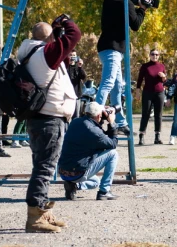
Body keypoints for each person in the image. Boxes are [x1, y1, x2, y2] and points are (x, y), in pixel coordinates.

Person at [18, 15, 80, 233]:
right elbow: (75, 36)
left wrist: (55, 31)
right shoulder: (45, 53)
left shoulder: (33, 54)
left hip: (41, 119)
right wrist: (67, 22)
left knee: (41, 166)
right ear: (49, 38)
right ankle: (34, 217)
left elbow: (61, 61)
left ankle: (43, 212)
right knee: (44, 169)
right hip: (49, 121)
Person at [95, 0, 148, 135]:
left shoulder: (108, 1)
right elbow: (136, 24)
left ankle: (120, 122)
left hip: (108, 48)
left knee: (117, 86)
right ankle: (93, 118)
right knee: (108, 83)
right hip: (113, 49)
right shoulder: (125, 3)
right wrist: (142, 9)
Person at [58, 102, 119, 201]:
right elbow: (113, 144)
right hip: (77, 173)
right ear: (99, 115)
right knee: (113, 154)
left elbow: (98, 136)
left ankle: (73, 186)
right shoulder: (93, 131)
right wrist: (112, 123)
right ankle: (104, 192)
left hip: (63, 171)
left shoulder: (75, 122)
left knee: (95, 182)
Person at [136, 49, 167, 145]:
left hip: (160, 93)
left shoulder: (161, 66)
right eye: (153, 54)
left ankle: (157, 137)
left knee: (158, 115)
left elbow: (165, 81)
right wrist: (137, 91)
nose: (155, 56)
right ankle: (141, 136)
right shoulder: (145, 66)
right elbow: (140, 79)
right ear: (149, 55)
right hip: (148, 93)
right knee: (145, 114)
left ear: (159, 56)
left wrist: (163, 77)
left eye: (157, 54)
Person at [66, 50, 87, 119]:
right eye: (71, 55)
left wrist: (80, 66)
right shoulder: (65, 66)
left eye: (74, 56)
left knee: (76, 116)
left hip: (76, 95)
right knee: (65, 115)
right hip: (66, 95)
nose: (72, 57)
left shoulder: (78, 67)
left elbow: (83, 77)